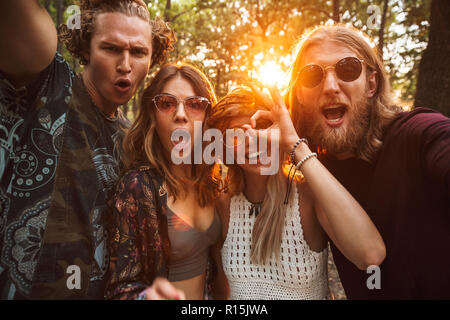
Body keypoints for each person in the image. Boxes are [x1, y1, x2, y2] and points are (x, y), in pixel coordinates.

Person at [0, 0, 175, 299]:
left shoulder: (133, 141)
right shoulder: (49, 84)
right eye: (110, 48)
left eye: (138, 52)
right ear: (85, 49)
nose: (125, 65)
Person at [285, 24, 450, 299]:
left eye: (347, 69)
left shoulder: (418, 134)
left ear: (372, 84)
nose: (330, 86)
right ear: (300, 95)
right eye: (312, 75)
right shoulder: (313, 172)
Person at [206, 86, 385, 299]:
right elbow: (221, 289)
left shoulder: (308, 194)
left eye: (262, 126)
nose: (252, 140)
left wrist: (295, 144)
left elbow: (370, 254)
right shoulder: (223, 203)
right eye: (235, 135)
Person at [105, 63, 224, 300]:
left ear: (207, 117)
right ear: (152, 115)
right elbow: (120, 286)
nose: (180, 114)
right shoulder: (137, 187)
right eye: (167, 104)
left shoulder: (214, 181)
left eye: (195, 104)